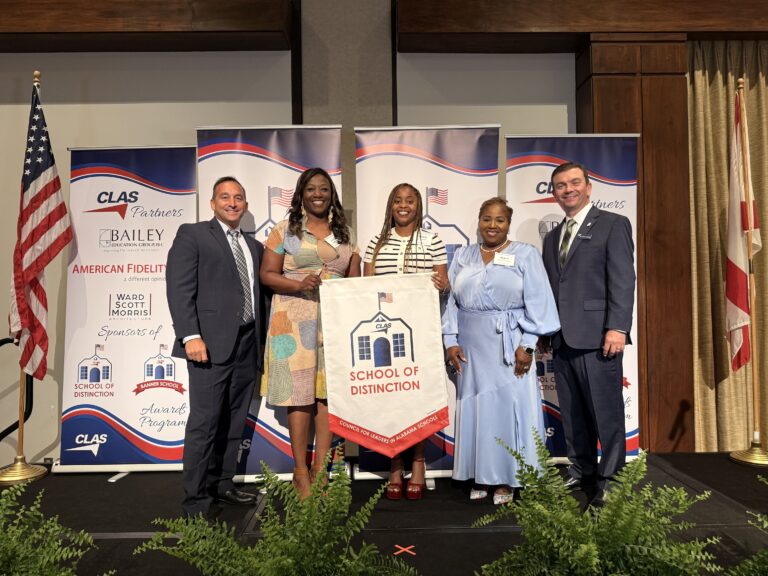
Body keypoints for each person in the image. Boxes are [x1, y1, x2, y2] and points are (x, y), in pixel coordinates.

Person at [443, 197, 560, 505]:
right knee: (477, 410)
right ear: (478, 221)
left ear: (508, 223)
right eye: (486, 219)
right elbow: (452, 301)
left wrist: (528, 344)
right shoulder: (463, 255)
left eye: (500, 220)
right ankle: (480, 473)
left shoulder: (525, 254)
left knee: (507, 410)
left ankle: (506, 479)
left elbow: (540, 301)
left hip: (510, 344)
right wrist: (450, 339)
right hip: (470, 346)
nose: (492, 225)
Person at [166, 176, 267, 517]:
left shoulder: (255, 248)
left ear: (246, 205)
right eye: (225, 197)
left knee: (234, 422)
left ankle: (223, 484)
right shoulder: (192, 235)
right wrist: (190, 336)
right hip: (207, 346)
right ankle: (195, 501)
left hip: (247, 344)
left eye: (239, 197)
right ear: (212, 203)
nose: (232, 202)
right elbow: (179, 290)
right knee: (204, 424)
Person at [260, 167, 361, 499]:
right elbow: (267, 275)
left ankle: (322, 470)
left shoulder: (344, 234)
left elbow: (355, 279)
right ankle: (300, 471)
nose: (318, 194)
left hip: (334, 321)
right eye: (311, 189)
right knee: (299, 394)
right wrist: (299, 283)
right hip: (293, 317)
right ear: (301, 194)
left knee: (327, 395)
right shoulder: (286, 230)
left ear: (332, 195)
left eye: (324, 189)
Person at [541, 161, 635, 506]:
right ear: (554, 193)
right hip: (562, 338)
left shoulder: (613, 224)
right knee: (573, 412)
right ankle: (581, 469)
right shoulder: (552, 237)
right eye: (560, 185)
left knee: (606, 412)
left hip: (600, 338)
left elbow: (624, 280)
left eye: (574, 183)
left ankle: (611, 477)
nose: (568, 189)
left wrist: (618, 327)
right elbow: (553, 288)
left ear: (589, 187)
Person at [363, 183, 449, 501]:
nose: (403, 205)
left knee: (419, 399)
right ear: (390, 206)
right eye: (397, 200)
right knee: (391, 399)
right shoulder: (376, 242)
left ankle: (418, 462)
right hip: (385, 333)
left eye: (409, 200)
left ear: (418, 206)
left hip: (421, 333)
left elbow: (443, 284)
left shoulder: (432, 240)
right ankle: (395, 465)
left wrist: (442, 283)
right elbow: (366, 286)